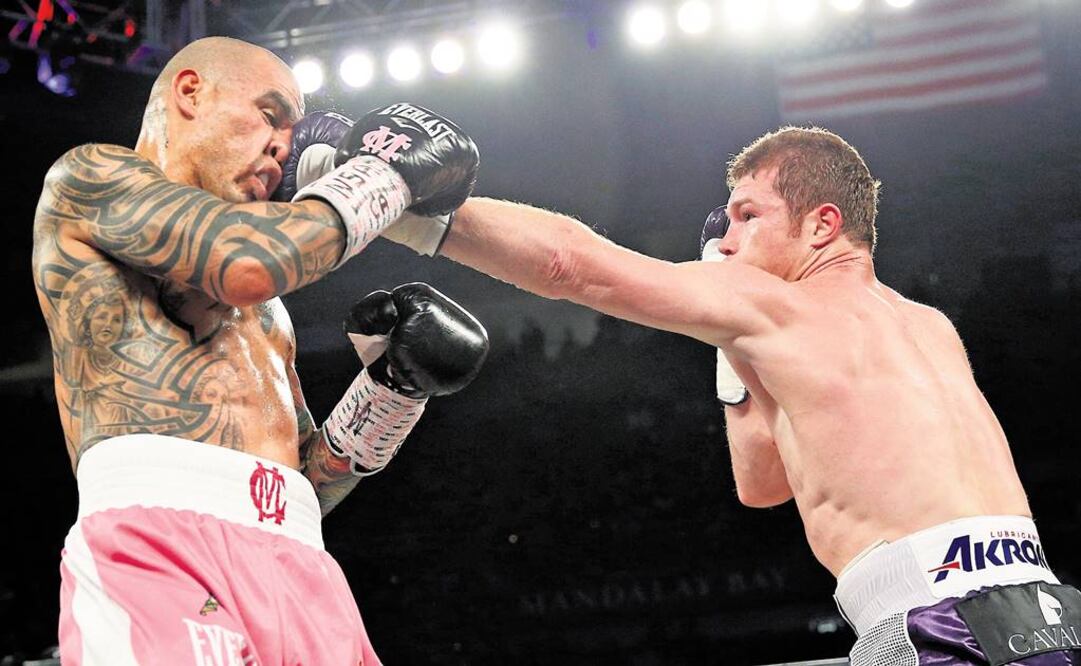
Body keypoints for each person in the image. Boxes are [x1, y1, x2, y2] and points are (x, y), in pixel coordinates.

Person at [354, 123, 1081, 664]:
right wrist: (728, 340)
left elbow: (573, 265)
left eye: (746, 215)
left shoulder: (778, 306)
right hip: (1048, 616)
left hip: (940, 619)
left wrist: (383, 201)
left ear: (822, 223)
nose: (726, 240)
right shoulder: (926, 325)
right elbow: (761, 482)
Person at [32, 36, 489, 665]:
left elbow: (301, 482)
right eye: (272, 114)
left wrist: (389, 395)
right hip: (161, 545)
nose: (285, 146)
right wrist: (386, 171)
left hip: (299, 561)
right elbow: (247, 260)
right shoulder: (91, 178)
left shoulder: (267, 308)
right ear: (190, 93)